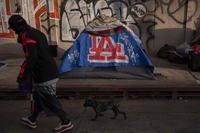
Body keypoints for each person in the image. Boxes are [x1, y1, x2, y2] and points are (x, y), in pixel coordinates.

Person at [8, 15, 73, 133]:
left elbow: (31, 58)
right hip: (49, 70)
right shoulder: (35, 32)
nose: (13, 30)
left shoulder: (27, 37)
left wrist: (22, 75)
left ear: (16, 27)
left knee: (50, 100)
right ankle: (32, 119)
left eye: (13, 28)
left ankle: (66, 122)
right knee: (39, 98)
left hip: (44, 74)